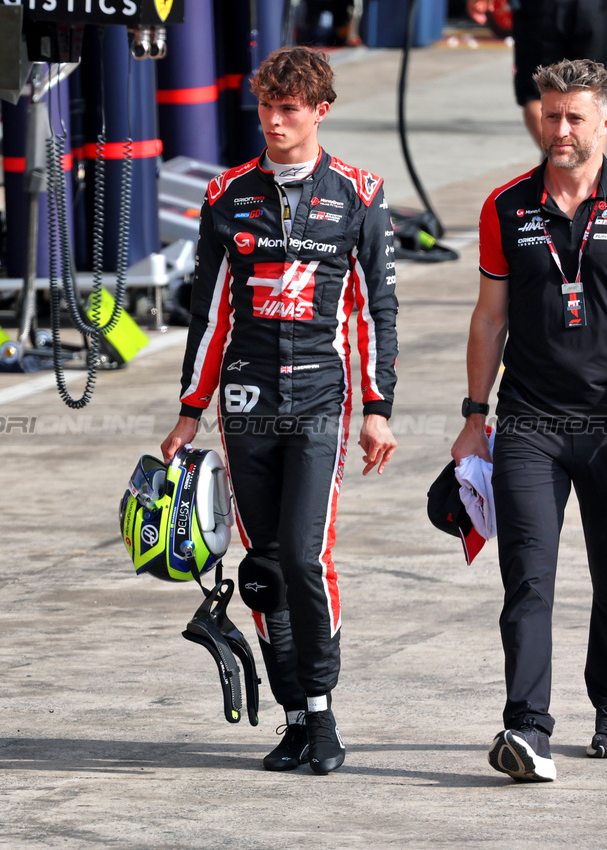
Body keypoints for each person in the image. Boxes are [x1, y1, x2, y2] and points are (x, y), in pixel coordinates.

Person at [160, 46, 399, 776]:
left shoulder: (359, 192)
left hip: (319, 401)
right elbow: (208, 316)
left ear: (319, 111)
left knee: (302, 556)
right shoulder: (226, 193)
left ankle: (322, 714)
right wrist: (189, 410)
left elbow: (373, 309)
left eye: (288, 109)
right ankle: (293, 716)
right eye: (265, 107)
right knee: (262, 566)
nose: (273, 120)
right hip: (245, 401)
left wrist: (376, 406)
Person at [451, 58, 607, 782]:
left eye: (574, 117)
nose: (559, 129)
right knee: (527, 577)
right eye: (550, 115)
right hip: (529, 421)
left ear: (603, 121)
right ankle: (526, 728)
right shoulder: (506, 207)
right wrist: (472, 416)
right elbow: (489, 321)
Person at [467, 0, 607, 150]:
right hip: (593, 8)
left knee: (536, 91)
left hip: (542, 9)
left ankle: (559, 158)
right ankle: (585, 168)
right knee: (595, 92)